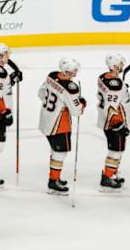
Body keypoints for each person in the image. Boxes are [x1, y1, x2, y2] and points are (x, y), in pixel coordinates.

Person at [38, 58, 86, 195]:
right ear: (68, 71)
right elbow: (76, 111)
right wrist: (82, 104)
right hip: (59, 124)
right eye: (74, 70)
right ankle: (53, 182)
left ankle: (54, 178)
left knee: (56, 150)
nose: (76, 72)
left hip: (45, 118)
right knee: (60, 152)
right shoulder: (70, 87)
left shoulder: (52, 76)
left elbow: (41, 93)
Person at [97, 54, 130, 191]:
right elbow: (111, 106)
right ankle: (107, 177)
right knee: (115, 150)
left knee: (119, 149)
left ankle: (112, 173)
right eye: (120, 64)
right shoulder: (116, 86)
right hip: (113, 123)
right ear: (115, 66)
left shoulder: (103, 77)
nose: (122, 66)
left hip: (106, 120)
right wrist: (117, 123)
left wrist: (122, 88)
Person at [0, 43, 21, 187]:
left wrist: (13, 78)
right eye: (6, 54)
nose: (9, 56)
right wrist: (4, 111)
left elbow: (1, 89)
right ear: (0, 56)